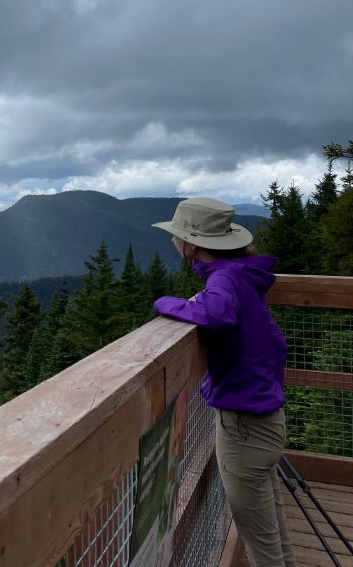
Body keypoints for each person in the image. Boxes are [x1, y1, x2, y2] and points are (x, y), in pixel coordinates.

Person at [151, 197, 294, 567]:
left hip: (245, 426)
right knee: (271, 530)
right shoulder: (240, 274)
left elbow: (216, 314)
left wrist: (166, 303)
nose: (173, 240)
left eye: (176, 234)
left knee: (261, 544)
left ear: (192, 244)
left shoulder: (225, 278)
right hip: (263, 420)